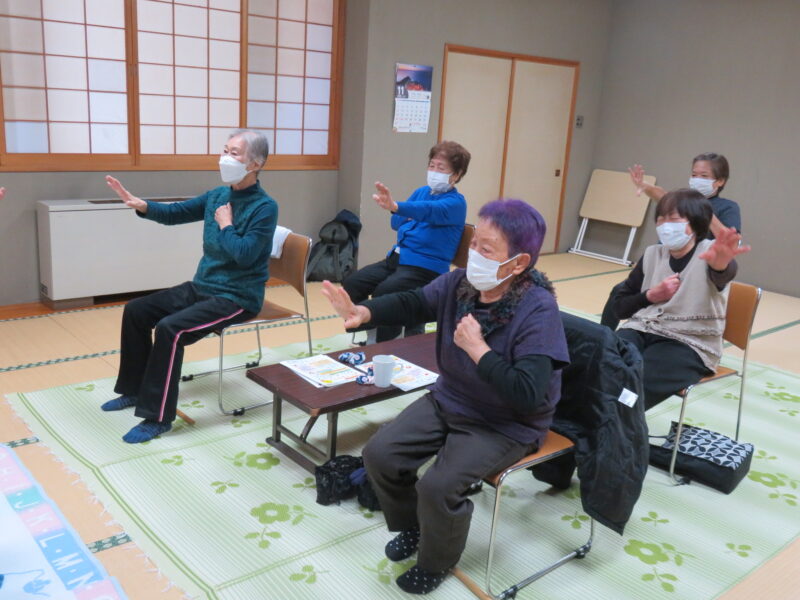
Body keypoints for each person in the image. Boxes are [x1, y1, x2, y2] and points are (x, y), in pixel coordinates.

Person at [322, 199, 568, 594]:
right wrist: (365, 313)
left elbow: (527, 393)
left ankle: (437, 561)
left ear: (519, 263)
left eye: (487, 249)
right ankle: (415, 526)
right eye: (474, 244)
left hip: (505, 423)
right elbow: (415, 301)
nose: (474, 255)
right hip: (450, 398)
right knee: (380, 454)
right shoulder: (461, 284)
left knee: (438, 487)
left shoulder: (538, 310)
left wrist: (479, 350)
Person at [101, 129, 277, 443]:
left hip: (238, 296)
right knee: (136, 310)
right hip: (203, 286)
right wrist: (141, 204)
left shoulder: (265, 207)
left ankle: (157, 418)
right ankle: (134, 389)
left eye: (235, 153)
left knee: (170, 329)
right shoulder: (217, 196)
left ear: (255, 164)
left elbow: (245, 255)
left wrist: (226, 225)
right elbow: (176, 213)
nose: (225, 158)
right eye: (225, 150)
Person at [613, 188, 750, 410]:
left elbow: (723, 271)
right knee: (600, 362)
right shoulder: (652, 253)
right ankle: (587, 420)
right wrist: (650, 296)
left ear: (695, 223)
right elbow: (620, 308)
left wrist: (721, 264)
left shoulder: (710, 252)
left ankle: (614, 423)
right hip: (641, 330)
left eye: (673, 219)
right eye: (661, 219)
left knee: (634, 383)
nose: (665, 225)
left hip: (688, 343)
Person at [342, 141, 471, 343]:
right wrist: (402, 211)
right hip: (397, 259)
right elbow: (396, 222)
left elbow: (427, 211)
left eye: (441, 168)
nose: (434, 171)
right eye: (432, 165)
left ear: (456, 175)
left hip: (425, 268)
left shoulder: (456, 203)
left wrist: (398, 208)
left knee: (385, 291)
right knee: (352, 284)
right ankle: (373, 329)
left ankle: (387, 343)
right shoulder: (421, 192)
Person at [601, 152, 741, 329]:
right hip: (664, 265)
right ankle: (605, 334)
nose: (697, 179)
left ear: (720, 181)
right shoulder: (682, 201)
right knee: (619, 292)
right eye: (694, 174)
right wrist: (644, 186)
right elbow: (662, 194)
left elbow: (729, 240)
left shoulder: (728, 207)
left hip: (694, 271)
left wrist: (703, 210)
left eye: (704, 176)